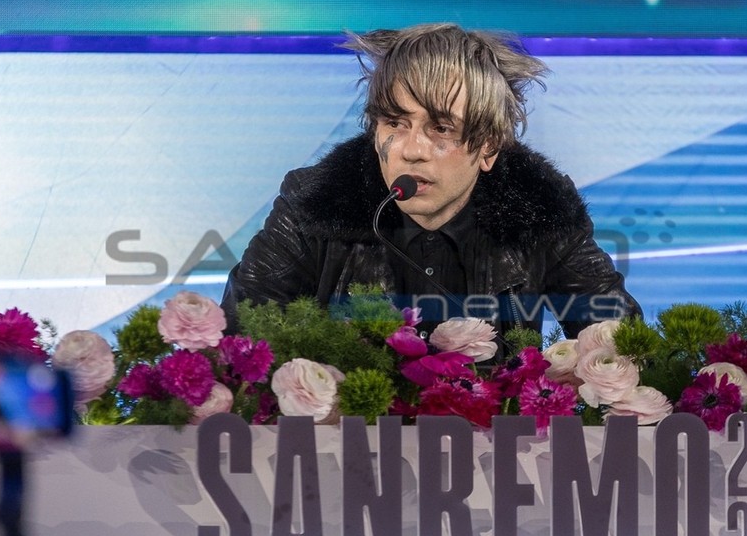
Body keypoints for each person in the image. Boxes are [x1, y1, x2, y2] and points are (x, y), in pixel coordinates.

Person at [222, 23, 639, 344]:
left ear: (489, 147)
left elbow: (624, 347)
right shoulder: (313, 204)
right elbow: (241, 347)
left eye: (441, 128)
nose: (411, 150)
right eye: (395, 122)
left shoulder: (542, 210)